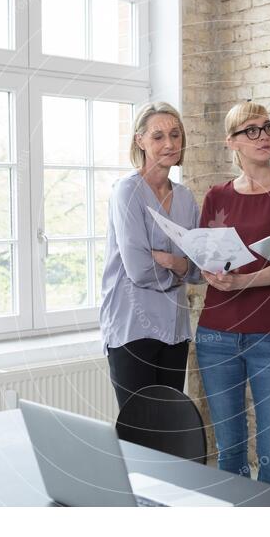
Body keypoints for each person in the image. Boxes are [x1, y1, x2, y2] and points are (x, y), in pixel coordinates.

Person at [195, 101, 270, 489]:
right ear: (233, 142)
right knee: (229, 452)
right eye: (252, 130)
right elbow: (205, 256)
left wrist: (241, 282)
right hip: (216, 336)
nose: (263, 136)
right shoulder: (216, 197)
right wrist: (209, 272)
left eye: (267, 128)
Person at [99, 102, 200, 410]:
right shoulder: (127, 192)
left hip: (174, 329)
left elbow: (199, 269)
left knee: (168, 429)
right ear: (139, 141)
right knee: (140, 433)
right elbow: (139, 269)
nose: (169, 143)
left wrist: (172, 261)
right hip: (132, 327)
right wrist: (181, 268)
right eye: (158, 136)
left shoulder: (184, 197)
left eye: (175, 134)